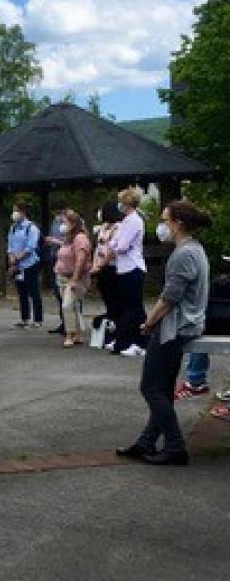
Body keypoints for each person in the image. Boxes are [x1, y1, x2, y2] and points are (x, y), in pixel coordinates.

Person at [116, 200, 211, 466]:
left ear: (178, 223)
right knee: (163, 389)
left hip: (175, 327)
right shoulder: (194, 249)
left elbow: (169, 298)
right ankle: (147, 441)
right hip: (185, 325)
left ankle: (175, 446)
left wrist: (149, 322)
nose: (161, 226)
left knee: (151, 388)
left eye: (164, 220)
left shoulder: (183, 254)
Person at [109, 189, 148, 356]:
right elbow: (115, 242)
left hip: (133, 266)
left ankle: (140, 342)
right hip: (124, 267)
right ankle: (126, 339)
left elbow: (121, 245)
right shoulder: (126, 221)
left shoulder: (134, 221)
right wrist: (115, 244)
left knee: (134, 307)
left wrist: (115, 245)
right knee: (127, 306)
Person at [54, 210, 91, 347]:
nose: (62, 225)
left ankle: (69, 334)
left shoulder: (80, 238)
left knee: (67, 305)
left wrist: (75, 279)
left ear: (73, 223)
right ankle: (77, 333)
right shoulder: (69, 237)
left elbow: (80, 260)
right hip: (63, 276)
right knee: (73, 306)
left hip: (75, 278)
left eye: (64, 222)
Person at [90, 200, 123, 347]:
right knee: (108, 301)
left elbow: (113, 248)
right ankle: (110, 331)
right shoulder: (103, 227)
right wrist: (95, 264)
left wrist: (102, 264)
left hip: (112, 267)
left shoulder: (118, 227)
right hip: (101, 267)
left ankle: (117, 332)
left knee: (116, 301)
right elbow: (99, 247)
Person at [7, 202, 44, 328]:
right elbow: (10, 245)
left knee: (34, 292)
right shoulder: (13, 227)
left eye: (16, 210)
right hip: (18, 266)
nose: (14, 213)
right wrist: (12, 257)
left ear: (23, 212)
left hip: (30, 264)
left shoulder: (31, 228)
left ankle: (38, 319)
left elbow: (31, 247)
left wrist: (18, 257)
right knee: (22, 292)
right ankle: (25, 318)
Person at [44, 207, 69, 335]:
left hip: (67, 260)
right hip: (56, 258)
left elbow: (71, 242)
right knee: (58, 293)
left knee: (68, 295)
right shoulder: (55, 222)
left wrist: (55, 241)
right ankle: (63, 321)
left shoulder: (71, 223)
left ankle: (71, 325)